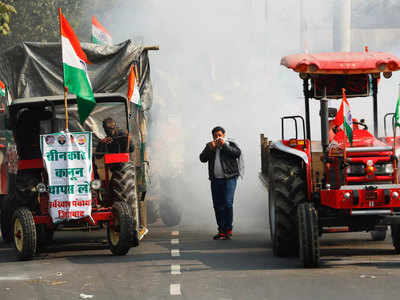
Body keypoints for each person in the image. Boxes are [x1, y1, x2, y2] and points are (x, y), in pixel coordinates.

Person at [199, 126, 241, 240]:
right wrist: (209, 148)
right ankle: (221, 230)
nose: (218, 137)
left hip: (229, 178)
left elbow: (237, 153)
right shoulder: (210, 146)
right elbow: (202, 158)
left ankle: (228, 229)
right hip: (215, 179)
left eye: (219, 135)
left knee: (227, 203)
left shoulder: (230, 144)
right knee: (218, 205)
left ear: (224, 135)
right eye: (215, 136)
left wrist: (224, 145)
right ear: (212, 136)